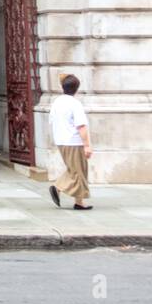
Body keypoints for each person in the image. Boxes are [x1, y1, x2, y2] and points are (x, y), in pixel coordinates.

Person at [48, 73, 93, 210]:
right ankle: (57, 187)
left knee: (77, 170)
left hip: (61, 140)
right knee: (78, 172)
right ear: (77, 88)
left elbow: (51, 121)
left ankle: (79, 202)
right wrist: (87, 145)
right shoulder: (75, 104)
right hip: (73, 141)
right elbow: (81, 126)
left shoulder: (57, 102)